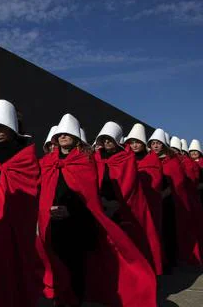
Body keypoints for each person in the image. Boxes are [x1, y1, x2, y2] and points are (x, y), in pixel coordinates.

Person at [37, 114, 156, 307]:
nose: (63, 137)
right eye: (60, 134)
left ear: (76, 137)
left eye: (67, 134)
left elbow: (88, 194)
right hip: (53, 220)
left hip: (77, 221)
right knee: (57, 262)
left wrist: (72, 211)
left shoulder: (85, 161)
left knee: (76, 265)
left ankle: (75, 300)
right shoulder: (48, 162)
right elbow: (42, 190)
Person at [0, 99, 41, 307]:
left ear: (13, 127)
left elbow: (30, 191)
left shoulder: (25, 157)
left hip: (15, 227)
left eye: (2, 126)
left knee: (14, 271)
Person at [94, 121, 161, 275]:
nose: (107, 142)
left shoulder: (126, 158)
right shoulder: (97, 158)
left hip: (121, 207)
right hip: (101, 206)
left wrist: (115, 204)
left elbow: (128, 183)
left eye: (110, 139)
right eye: (104, 139)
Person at [149, 130, 203, 267]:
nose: (155, 146)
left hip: (169, 201)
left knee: (168, 230)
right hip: (153, 201)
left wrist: (164, 194)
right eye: (153, 143)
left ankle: (170, 260)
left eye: (158, 143)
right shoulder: (149, 159)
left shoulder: (173, 162)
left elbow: (178, 183)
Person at [125, 123, 163, 274]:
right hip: (129, 205)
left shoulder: (152, 160)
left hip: (147, 205)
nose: (134, 145)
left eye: (137, 142)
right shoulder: (125, 159)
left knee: (147, 239)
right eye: (132, 142)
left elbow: (155, 185)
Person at [189, 139, 203, 204]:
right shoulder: (187, 163)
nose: (193, 153)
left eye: (195, 151)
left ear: (199, 152)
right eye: (192, 151)